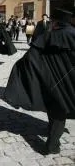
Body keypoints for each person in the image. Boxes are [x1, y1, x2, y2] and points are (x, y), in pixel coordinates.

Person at [5, 8, 75, 155]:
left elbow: (32, 56)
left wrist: (20, 67)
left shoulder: (49, 35)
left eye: (53, 21)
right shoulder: (72, 34)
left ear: (57, 22)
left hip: (51, 82)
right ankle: (52, 143)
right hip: (68, 84)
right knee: (59, 112)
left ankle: (51, 145)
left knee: (56, 111)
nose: (51, 23)